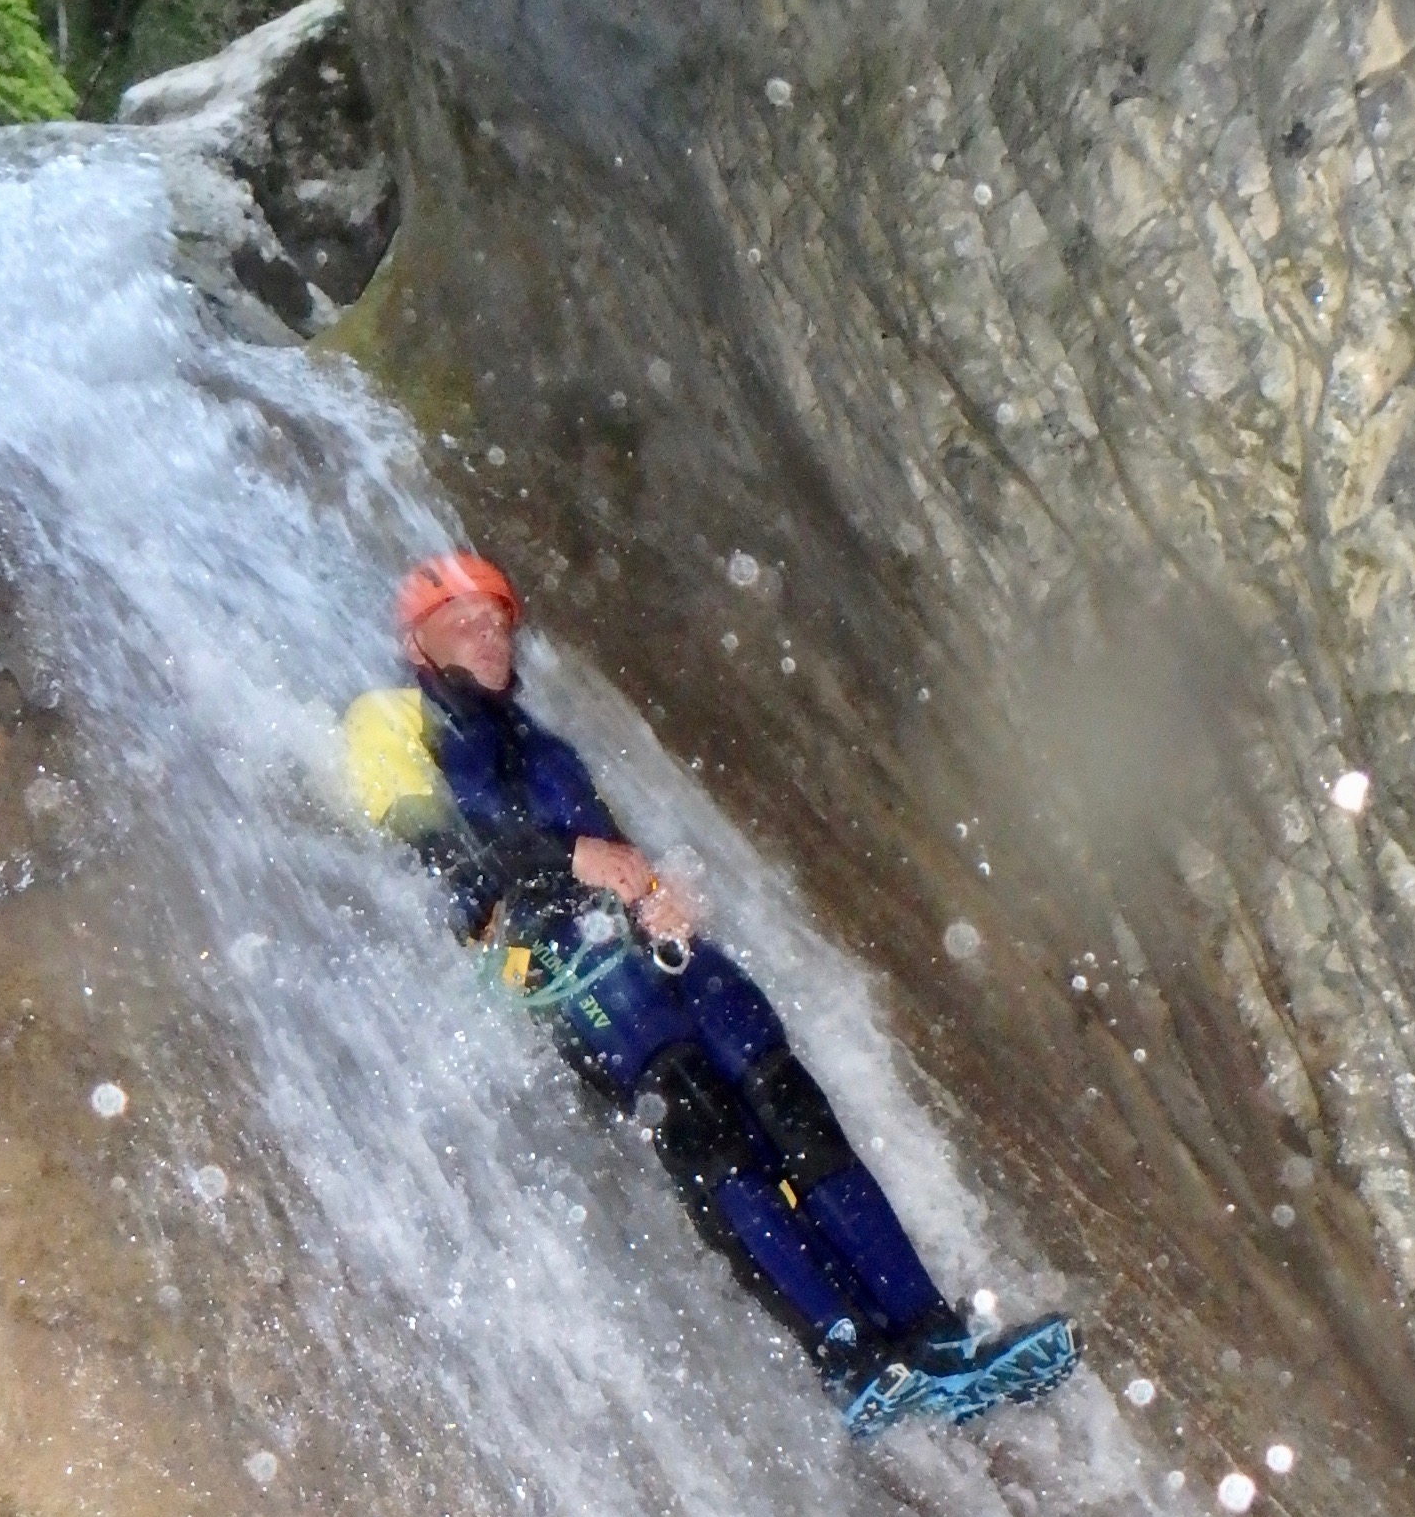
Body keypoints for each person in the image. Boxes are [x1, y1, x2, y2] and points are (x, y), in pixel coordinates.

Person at [344, 550, 1081, 1437]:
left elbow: (609, 850)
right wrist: (566, 863)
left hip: (640, 943)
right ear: (417, 645)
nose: (489, 630)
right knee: (700, 1116)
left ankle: (929, 1333)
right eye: (463, 619)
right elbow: (434, 847)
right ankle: (848, 1353)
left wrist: (656, 895)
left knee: (786, 1099)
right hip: (551, 957)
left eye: (497, 617)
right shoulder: (388, 722)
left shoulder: (544, 747)